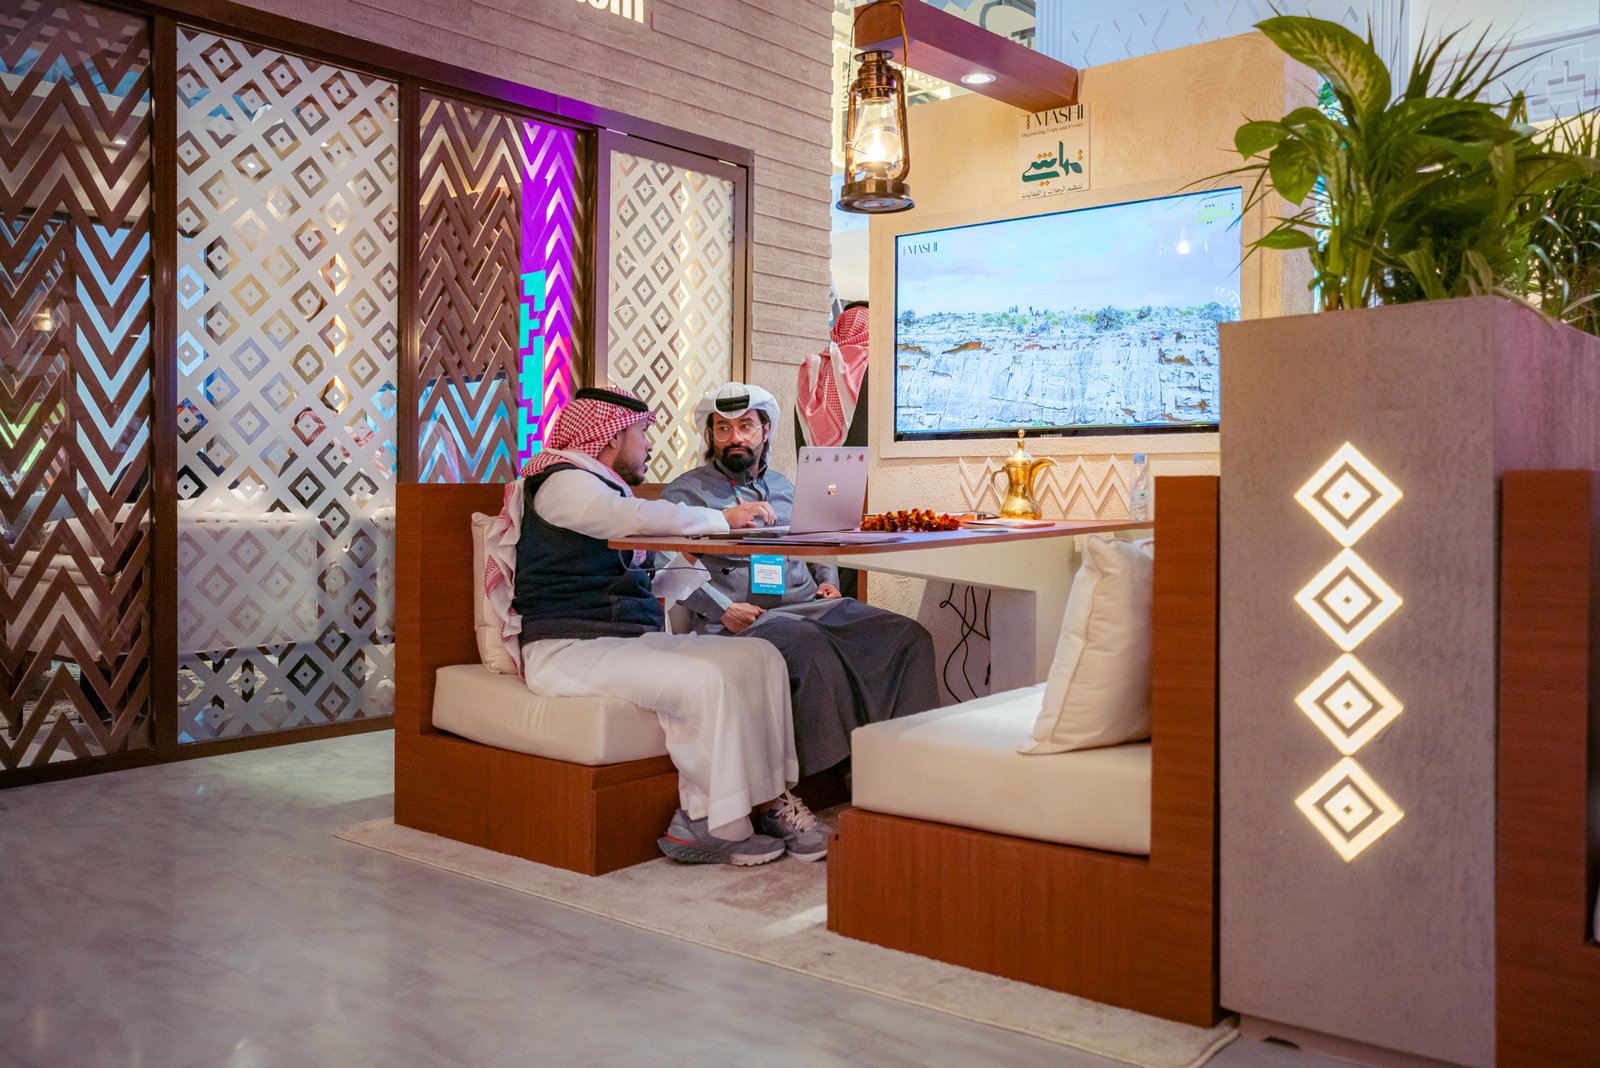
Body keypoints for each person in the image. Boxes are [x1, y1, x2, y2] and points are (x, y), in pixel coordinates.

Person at [511, 385, 828, 866]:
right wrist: (722, 519)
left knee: (761, 656)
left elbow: (640, 568)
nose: (648, 446)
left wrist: (687, 579)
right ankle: (705, 825)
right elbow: (633, 517)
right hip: (568, 647)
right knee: (706, 680)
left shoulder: (601, 487)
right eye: (642, 433)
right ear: (611, 437)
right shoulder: (562, 482)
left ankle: (769, 803)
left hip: (623, 639)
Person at [660, 382, 941, 779]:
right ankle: (835, 780)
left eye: (745, 426)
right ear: (710, 437)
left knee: (906, 636)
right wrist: (723, 609)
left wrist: (828, 579)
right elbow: (663, 562)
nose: (735, 438)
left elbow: (816, 535)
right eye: (723, 429)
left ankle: (909, 762)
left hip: (810, 605)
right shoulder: (686, 493)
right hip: (744, 619)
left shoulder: (784, 487)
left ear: (765, 431)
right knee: (808, 645)